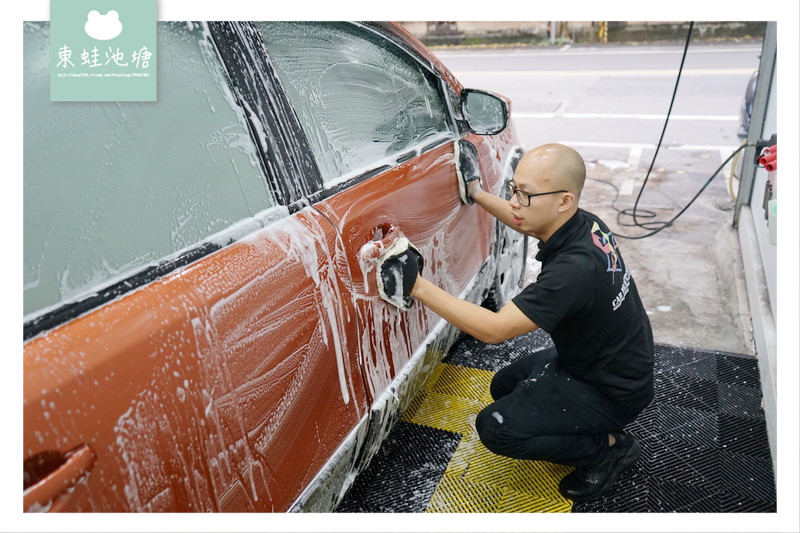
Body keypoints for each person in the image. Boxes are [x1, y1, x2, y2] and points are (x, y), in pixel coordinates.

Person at [381, 143, 654, 501]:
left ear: (564, 201)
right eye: (514, 189)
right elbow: (523, 219)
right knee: (504, 386)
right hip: (601, 362)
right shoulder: (584, 225)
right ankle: (584, 428)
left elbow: (494, 330)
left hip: (612, 389)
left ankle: (610, 448)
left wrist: (416, 285)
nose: (514, 202)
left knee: (497, 429)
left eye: (524, 195)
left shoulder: (573, 272)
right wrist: (476, 193)